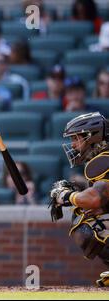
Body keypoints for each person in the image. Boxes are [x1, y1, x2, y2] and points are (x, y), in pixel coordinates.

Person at [48, 112, 109, 287]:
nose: (73, 144)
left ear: (91, 137)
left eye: (76, 138)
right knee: (90, 211)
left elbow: (95, 199)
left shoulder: (102, 161)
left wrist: (65, 196)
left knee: (85, 223)